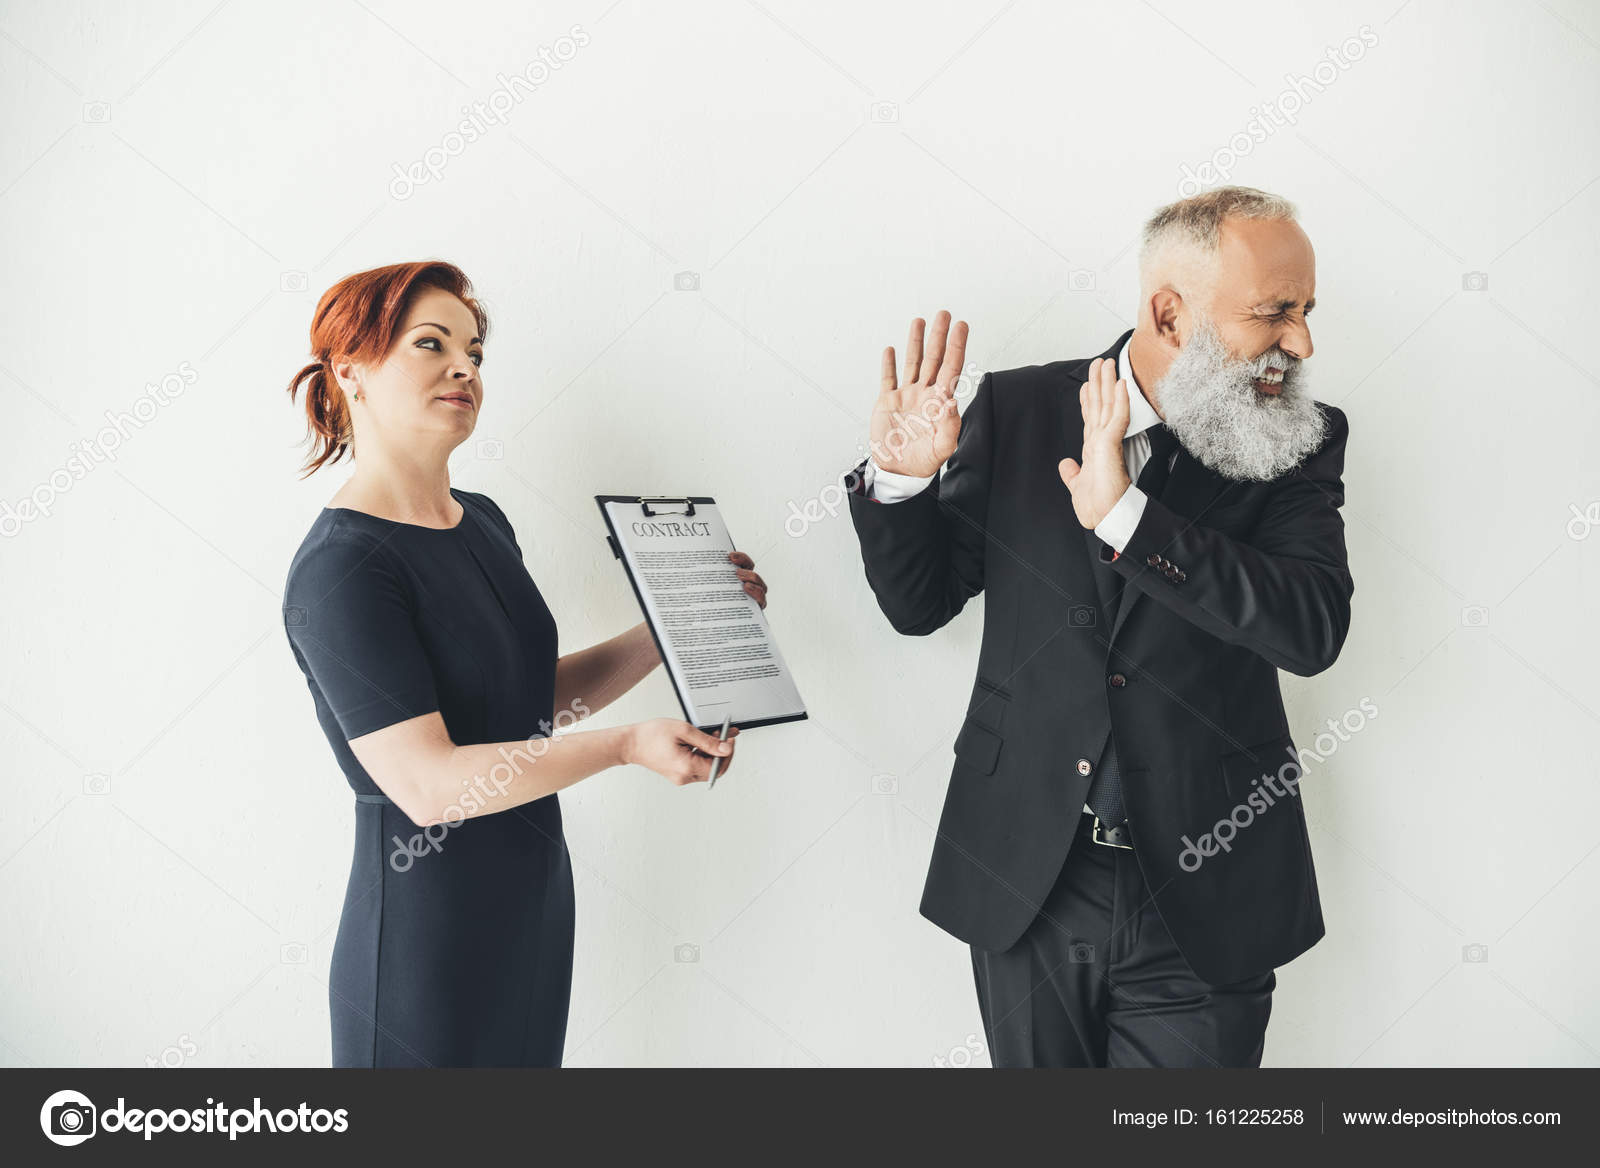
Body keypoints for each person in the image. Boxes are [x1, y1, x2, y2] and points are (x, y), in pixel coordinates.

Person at [845, 186, 1352, 1067]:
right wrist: (902, 484)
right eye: (1276, 312)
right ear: (1168, 312)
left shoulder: (1299, 439)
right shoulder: (1016, 410)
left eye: (1306, 312)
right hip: (1031, 877)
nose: (1300, 343)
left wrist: (1127, 520)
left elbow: (1311, 630)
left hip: (1210, 882)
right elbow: (919, 607)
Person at [280, 260, 771, 1067]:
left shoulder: (485, 523)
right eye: (430, 344)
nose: (464, 367)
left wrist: (669, 629)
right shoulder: (342, 567)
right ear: (350, 371)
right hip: (423, 944)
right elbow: (430, 785)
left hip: (533, 911)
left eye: (474, 350)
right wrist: (623, 746)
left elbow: (522, 704)